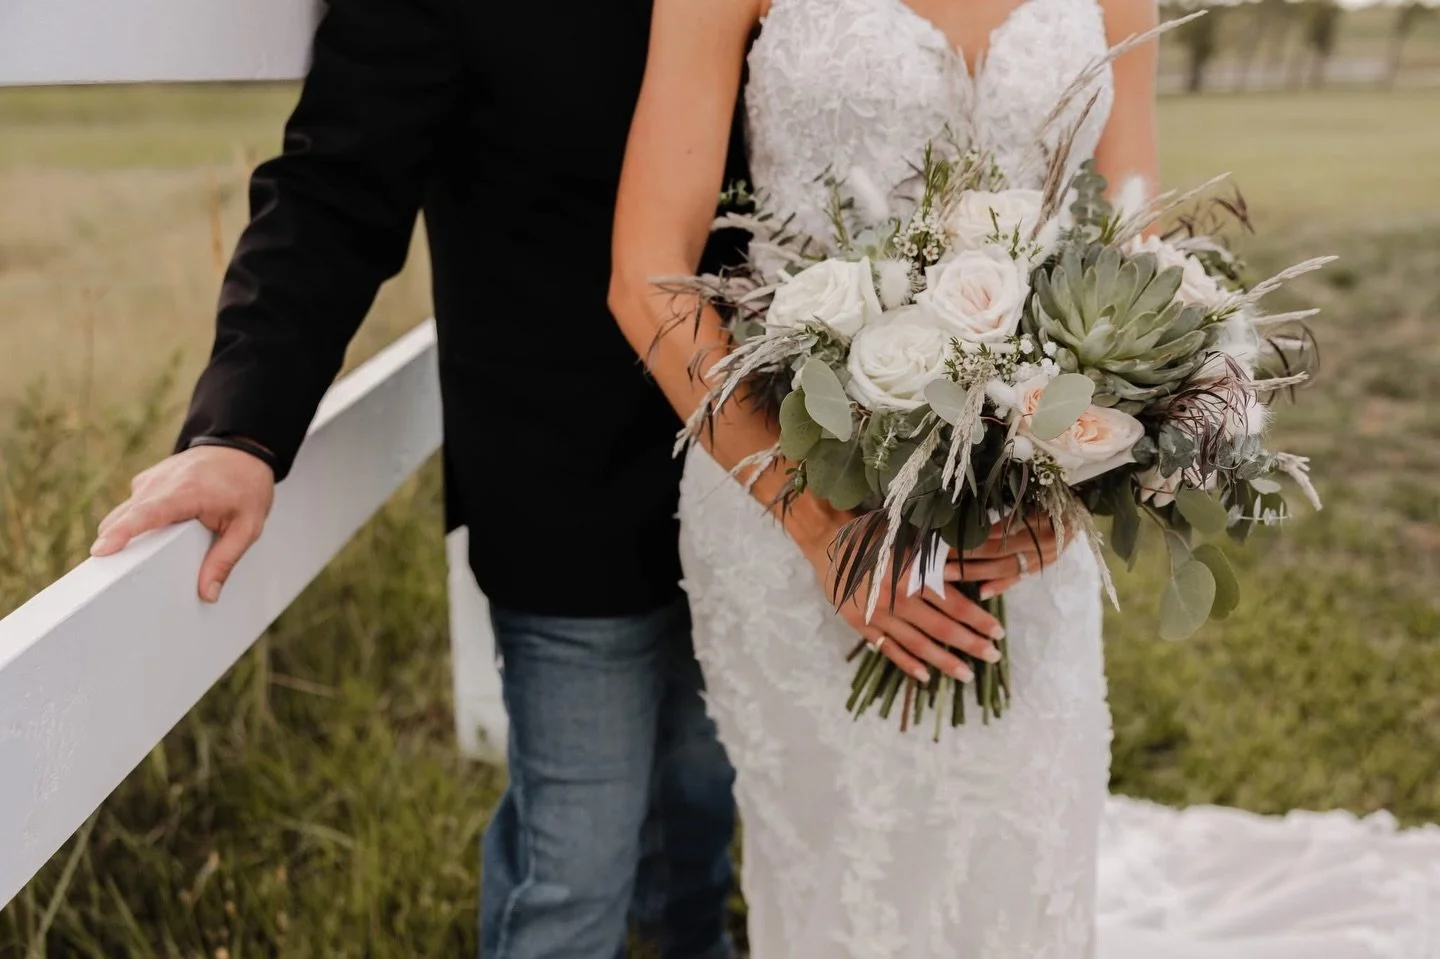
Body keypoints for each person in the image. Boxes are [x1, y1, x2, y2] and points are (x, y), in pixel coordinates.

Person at [608, 0, 1440, 956]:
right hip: (792, 498)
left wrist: (1085, 478)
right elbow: (645, 275)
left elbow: (1137, 255)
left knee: (1024, 861)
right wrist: (819, 525)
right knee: (846, 875)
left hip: (1023, 505)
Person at [91, 0, 768, 954]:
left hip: (768, 486)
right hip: (564, 495)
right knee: (574, 869)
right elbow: (333, 194)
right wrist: (238, 430)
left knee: (700, 827)